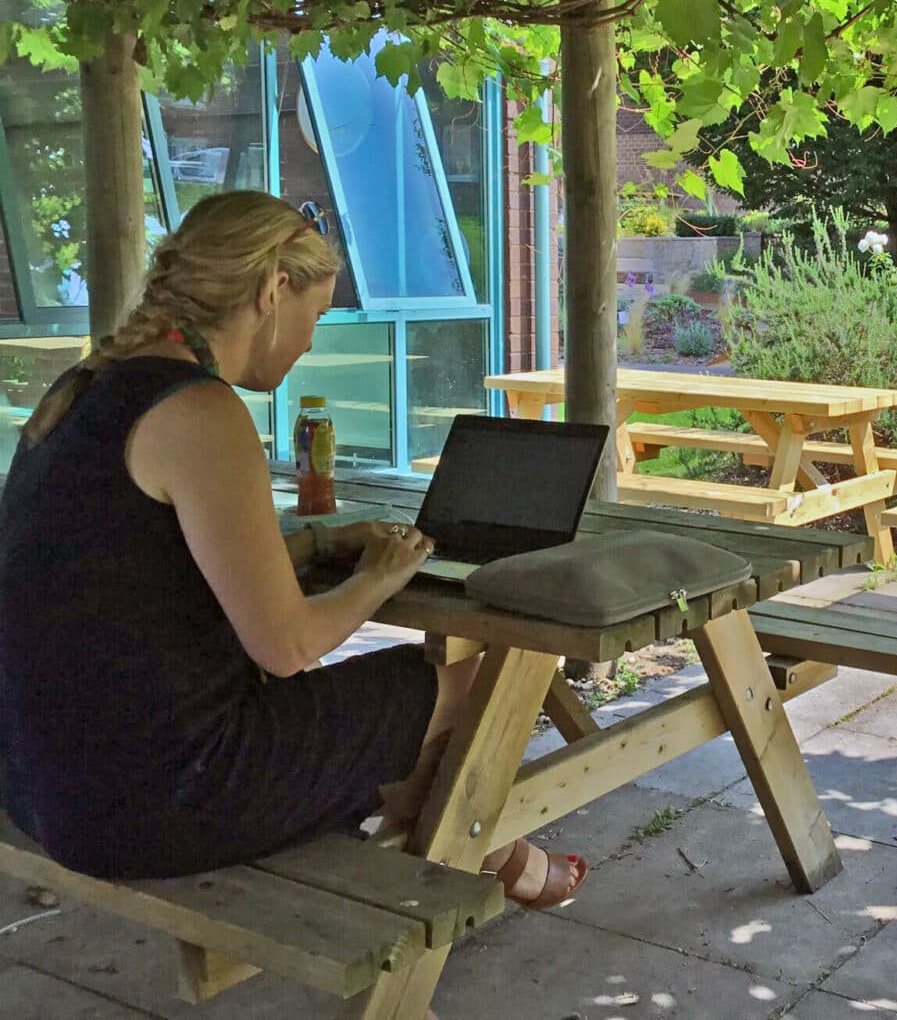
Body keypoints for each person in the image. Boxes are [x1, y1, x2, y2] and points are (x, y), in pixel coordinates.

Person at [0, 191, 585, 910]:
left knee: (399, 729)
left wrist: (319, 544)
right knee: (476, 681)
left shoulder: (85, 390)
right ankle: (483, 879)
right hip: (158, 800)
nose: (313, 340)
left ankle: (497, 863)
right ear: (274, 290)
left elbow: (147, 564)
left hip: (43, 786)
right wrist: (380, 573)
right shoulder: (200, 412)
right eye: (316, 314)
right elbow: (287, 646)